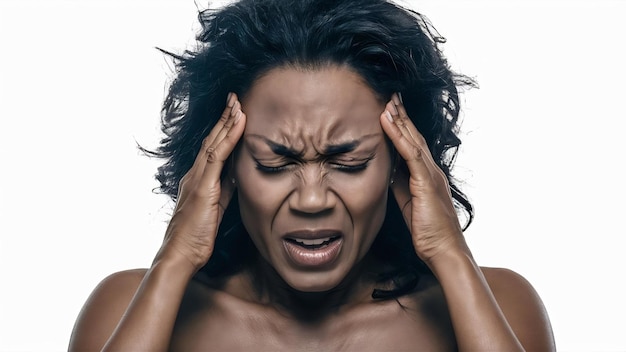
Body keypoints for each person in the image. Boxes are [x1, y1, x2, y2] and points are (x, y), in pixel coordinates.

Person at [69, 0, 555, 350]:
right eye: (275, 164)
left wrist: (450, 255)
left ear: (403, 166)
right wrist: (174, 261)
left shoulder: (500, 306)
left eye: (349, 163)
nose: (312, 199)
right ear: (225, 168)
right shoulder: (125, 310)